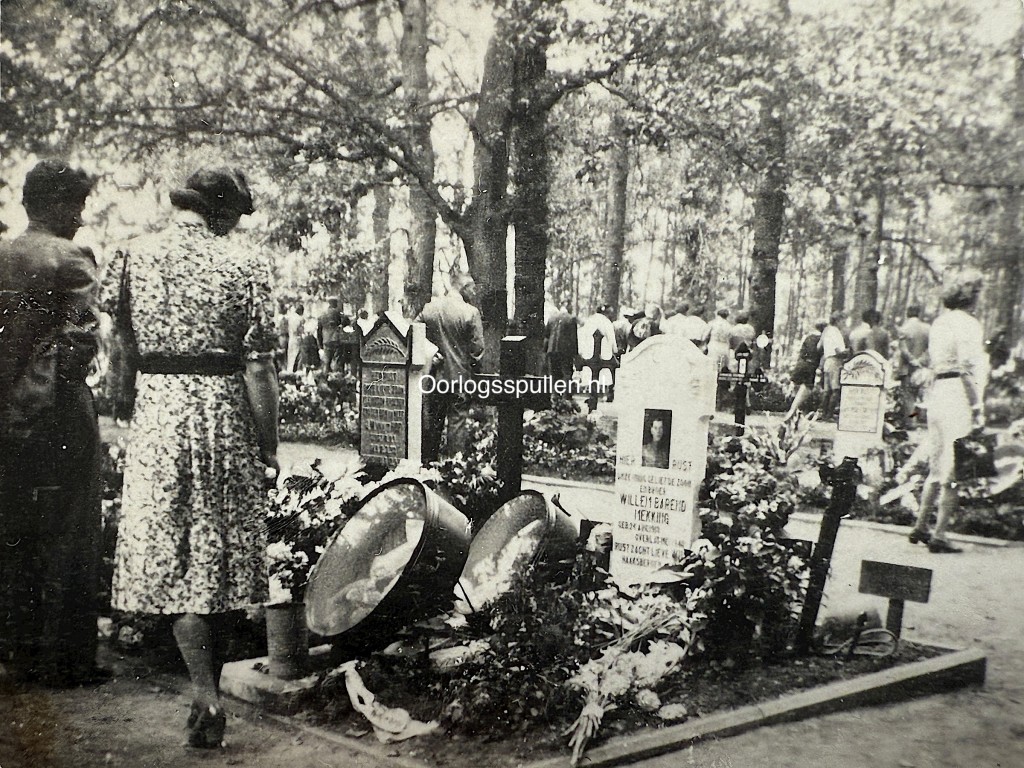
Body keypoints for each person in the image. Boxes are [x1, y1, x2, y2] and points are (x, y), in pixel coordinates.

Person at [104, 167, 279, 747]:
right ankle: (209, 691)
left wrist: (127, 405)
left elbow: (121, 348)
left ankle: (204, 692)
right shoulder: (245, 264)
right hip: (223, 413)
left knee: (177, 561)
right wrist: (268, 444)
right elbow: (258, 367)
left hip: (159, 414)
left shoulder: (132, 256)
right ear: (221, 212)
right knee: (216, 559)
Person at [0, 159, 106, 687]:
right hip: (58, 412)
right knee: (72, 530)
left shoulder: (4, 254)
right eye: (77, 206)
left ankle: (16, 652)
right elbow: (80, 340)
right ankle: (65, 661)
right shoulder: (70, 257)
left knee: (14, 530)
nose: (80, 218)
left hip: (7, 414)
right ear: (56, 205)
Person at [907, 272, 988, 554]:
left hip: (938, 393)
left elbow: (936, 362)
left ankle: (920, 525)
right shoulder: (969, 324)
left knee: (937, 462)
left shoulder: (940, 322)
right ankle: (940, 534)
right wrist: (977, 407)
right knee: (954, 467)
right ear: (972, 296)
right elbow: (967, 368)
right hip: (958, 395)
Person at [417, 273, 485, 462]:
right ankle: (455, 468)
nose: (474, 292)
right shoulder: (470, 312)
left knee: (433, 421)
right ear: (464, 288)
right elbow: (477, 351)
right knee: (457, 422)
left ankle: (427, 465)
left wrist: (430, 352)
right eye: (472, 288)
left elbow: (412, 334)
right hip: (459, 379)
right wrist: (475, 377)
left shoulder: (430, 309)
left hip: (434, 377)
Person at [783, 320, 827, 422]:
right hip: (811, 366)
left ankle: (795, 414)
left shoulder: (808, 337)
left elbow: (801, 352)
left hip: (801, 364)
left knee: (797, 388)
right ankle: (791, 413)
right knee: (806, 390)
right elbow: (822, 355)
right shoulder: (822, 339)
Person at [817, 311, 848, 419]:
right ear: (838, 321)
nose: (844, 324)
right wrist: (847, 352)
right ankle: (829, 414)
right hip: (835, 361)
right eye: (843, 321)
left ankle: (823, 413)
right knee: (835, 389)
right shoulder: (835, 332)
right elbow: (838, 350)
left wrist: (827, 350)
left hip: (827, 361)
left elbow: (819, 347)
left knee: (827, 390)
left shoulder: (826, 330)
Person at [544, 304, 579, 383]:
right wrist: (575, 354)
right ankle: (566, 390)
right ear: (568, 307)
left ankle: (555, 390)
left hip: (552, 350)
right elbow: (573, 338)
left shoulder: (551, 318)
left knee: (554, 373)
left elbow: (546, 336)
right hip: (565, 351)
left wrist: (545, 351)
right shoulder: (571, 319)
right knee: (566, 373)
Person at [317, 298, 343, 373]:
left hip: (326, 340)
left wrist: (320, 344)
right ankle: (337, 376)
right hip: (336, 339)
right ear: (335, 304)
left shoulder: (322, 315)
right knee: (337, 361)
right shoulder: (338, 313)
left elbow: (319, 330)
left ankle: (326, 376)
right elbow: (345, 322)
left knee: (327, 361)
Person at [707, 308, 732, 373]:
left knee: (712, 366)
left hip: (714, 345)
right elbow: (730, 337)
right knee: (722, 366)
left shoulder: (712, 323)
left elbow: (706, 335)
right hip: (724, 346)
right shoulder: (728, 325)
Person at [286, 303, 305, 372]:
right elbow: (299, 330)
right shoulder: (300, 319)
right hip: (297, 338)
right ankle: (297, 370)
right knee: (298, 355)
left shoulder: (291, 317)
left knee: (291, 356)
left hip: (291, 338)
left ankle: (290, 371)